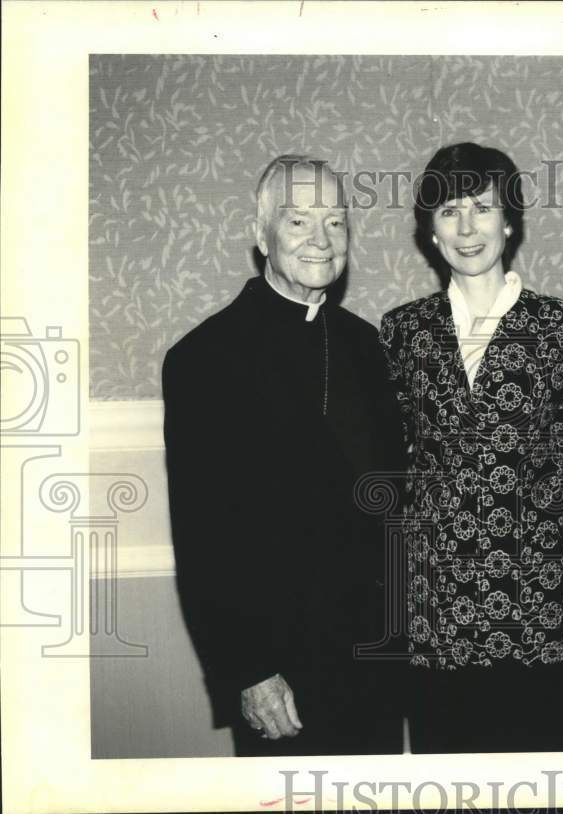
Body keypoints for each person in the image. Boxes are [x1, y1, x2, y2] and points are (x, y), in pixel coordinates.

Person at [162, 154, 404, 756]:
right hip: (283, 675)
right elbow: (202, 538)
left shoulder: (367, 346)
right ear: (261, 233)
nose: (321, 241)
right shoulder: (206, 360)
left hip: (376, 663)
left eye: (336, 222)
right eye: (298, 222)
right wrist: (248, 671)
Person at [379, 142, 563, 753]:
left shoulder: (562, 330)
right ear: (430, 231)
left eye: (481, 207)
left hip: (538, 608)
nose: (467, 227)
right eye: (448, 211)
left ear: (510, 220)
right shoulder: (401, 333)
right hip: (436, 613)